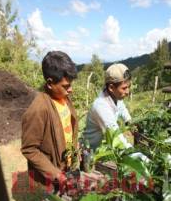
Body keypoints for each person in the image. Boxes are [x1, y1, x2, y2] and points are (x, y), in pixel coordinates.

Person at [21, 50, 79, 189]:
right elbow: (29, 149)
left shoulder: (64, 98)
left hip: (68, 167)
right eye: (66, 86)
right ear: (50, 83)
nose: (70, 90)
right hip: (53, 178)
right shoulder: (38, 110)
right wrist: (56, 175)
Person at [83, 63, 133, 150]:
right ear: (111, 88)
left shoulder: (115, 97)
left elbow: (123, 110)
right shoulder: (101, 106)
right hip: (92, 152)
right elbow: (116, 137)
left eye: (129, 86)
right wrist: (134, 152)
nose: (128, 92)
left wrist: (131, 124)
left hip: (104, 147)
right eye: (124, 88)